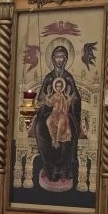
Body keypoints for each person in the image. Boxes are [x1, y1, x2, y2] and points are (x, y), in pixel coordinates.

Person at [30, 43, 82, 191]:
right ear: (53, 59)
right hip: (50, 112)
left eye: (62, 57)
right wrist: (45, 100)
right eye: (57, 57)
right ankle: (49, 168)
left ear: (65, 59)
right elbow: (41, 98)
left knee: (67, 128)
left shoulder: (68, 77)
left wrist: (71, 101)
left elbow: (76, 97)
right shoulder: (49, 77)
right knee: (40, 127)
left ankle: (64, 171)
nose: (59, 60)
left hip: (66, 113)